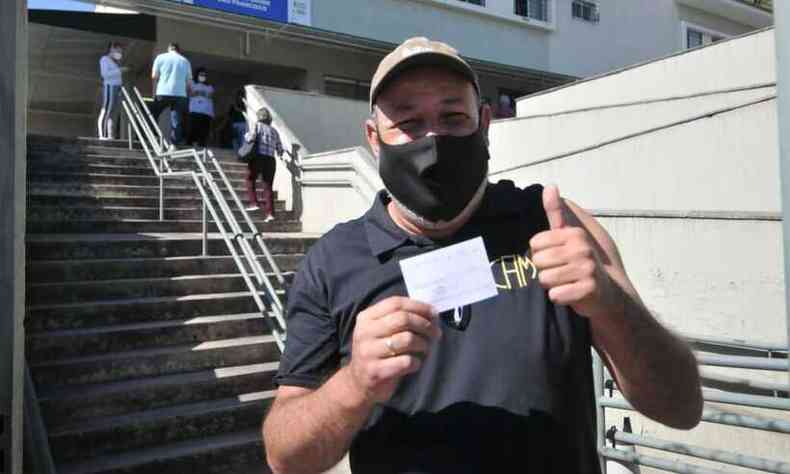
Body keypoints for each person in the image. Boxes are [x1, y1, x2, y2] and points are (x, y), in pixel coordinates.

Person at [263, 37, 703, 474]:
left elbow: (681, 406)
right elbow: (285, 458)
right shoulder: (333, 262)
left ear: (485, 123)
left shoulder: (559, 226)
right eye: (408, 121)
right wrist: (354, 385)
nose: (432, 139)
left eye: (453, 116)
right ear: (374, 138)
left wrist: (609, 302)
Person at [243, 107, 283, 221]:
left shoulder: (257, 125)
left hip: (258, 157)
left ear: (259, 117)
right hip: (270, 160)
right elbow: (280, 149)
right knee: (268, 186)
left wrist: (246, 136)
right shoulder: (274, 131)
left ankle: (254, 203)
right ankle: (270, 214)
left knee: (250, 179)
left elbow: (251, 138)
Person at [150, 42, 192, 149]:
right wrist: (187, 95)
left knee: (153, 114)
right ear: (178, 50)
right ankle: (174, 144)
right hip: (180, 94)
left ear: (169, 48)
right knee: (176, 120)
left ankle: (151, 136)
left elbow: (154, 76)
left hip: (163, 91)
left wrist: (154, 93)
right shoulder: (185, 61)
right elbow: (189, 82)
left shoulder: (160, 57)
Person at [97, 42, 126, 140]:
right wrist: (120, 70)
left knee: (113, 112)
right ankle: (103, 135)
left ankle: (110, 134)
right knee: (107, 110)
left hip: (117, 88)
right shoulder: (105, 59)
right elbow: (105, 74)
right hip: (110, 87)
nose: (119, 53)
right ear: (112, 49)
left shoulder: (115, 63)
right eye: (118, 50)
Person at [187, 67, 215, 147]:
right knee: (193, 130)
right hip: (195, 111)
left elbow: (210, 96)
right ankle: (189, 147)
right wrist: (198, 93)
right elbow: (190, 93)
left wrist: (200, 93)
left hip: (206, 113)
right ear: (197, 75)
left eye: (204, 75)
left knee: (204, 133)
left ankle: (202, 148)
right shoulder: (192, 83)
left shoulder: (209, 86)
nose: (203, 76)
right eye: (201, 74)